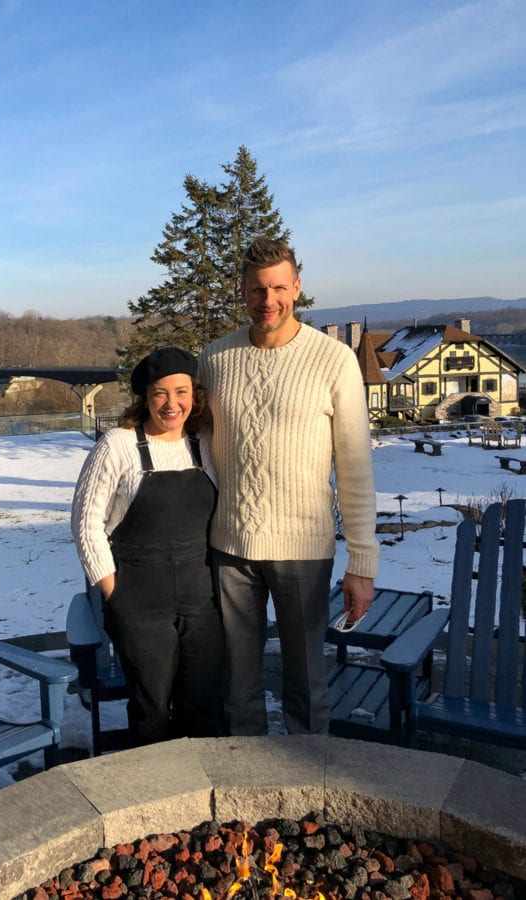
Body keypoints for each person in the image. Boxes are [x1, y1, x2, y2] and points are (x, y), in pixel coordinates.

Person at [198, 237, 379, 736]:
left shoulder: (333, 360)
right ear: (242, 292)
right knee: (237, 686)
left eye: (279, 287)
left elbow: (355, 466)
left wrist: (362, 562)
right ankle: (245, 795)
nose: (268, 300)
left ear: (297, 288)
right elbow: (192, 446)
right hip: (230, 546)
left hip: (303, 548)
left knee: (306, 685)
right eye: (257, 289)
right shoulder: (213, 360)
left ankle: (309, 794)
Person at [71, 346, 225, 745]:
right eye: (160, 393)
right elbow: (87, 525)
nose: (171, 403)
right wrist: (114, 594)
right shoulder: (117, 445)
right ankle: (155, 798)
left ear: (195, 395)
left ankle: (205, 791)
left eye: (181, 392)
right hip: (139, 601)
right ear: (145, 397)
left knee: (204, 702)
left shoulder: (205, 443)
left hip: (200, 598)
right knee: (151, 706)